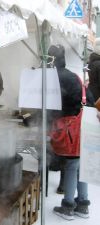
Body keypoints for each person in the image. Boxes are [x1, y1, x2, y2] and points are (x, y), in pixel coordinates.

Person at [48, 44, 94, 220]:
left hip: (72, 129)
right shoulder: (73, 75)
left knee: (72, 166)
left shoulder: (55, 77)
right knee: (81, 166)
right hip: (86, 124)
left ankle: (67, 206)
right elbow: (87, 98)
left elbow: (53, 106)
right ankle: (82, 205)